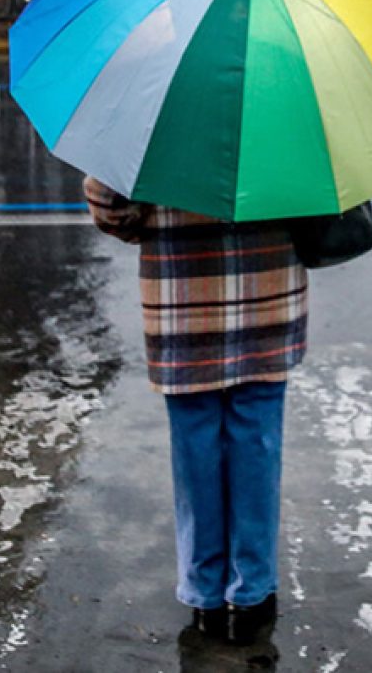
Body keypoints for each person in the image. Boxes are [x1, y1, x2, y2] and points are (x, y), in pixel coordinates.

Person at [82, 177, 301, 646]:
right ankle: (251, 594)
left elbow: (110, 208)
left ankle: (204, 595)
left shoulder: (153, 109)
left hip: (183, 298)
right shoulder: (285, 108)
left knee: (195, 448)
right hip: (268, 294)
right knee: (257, 446)